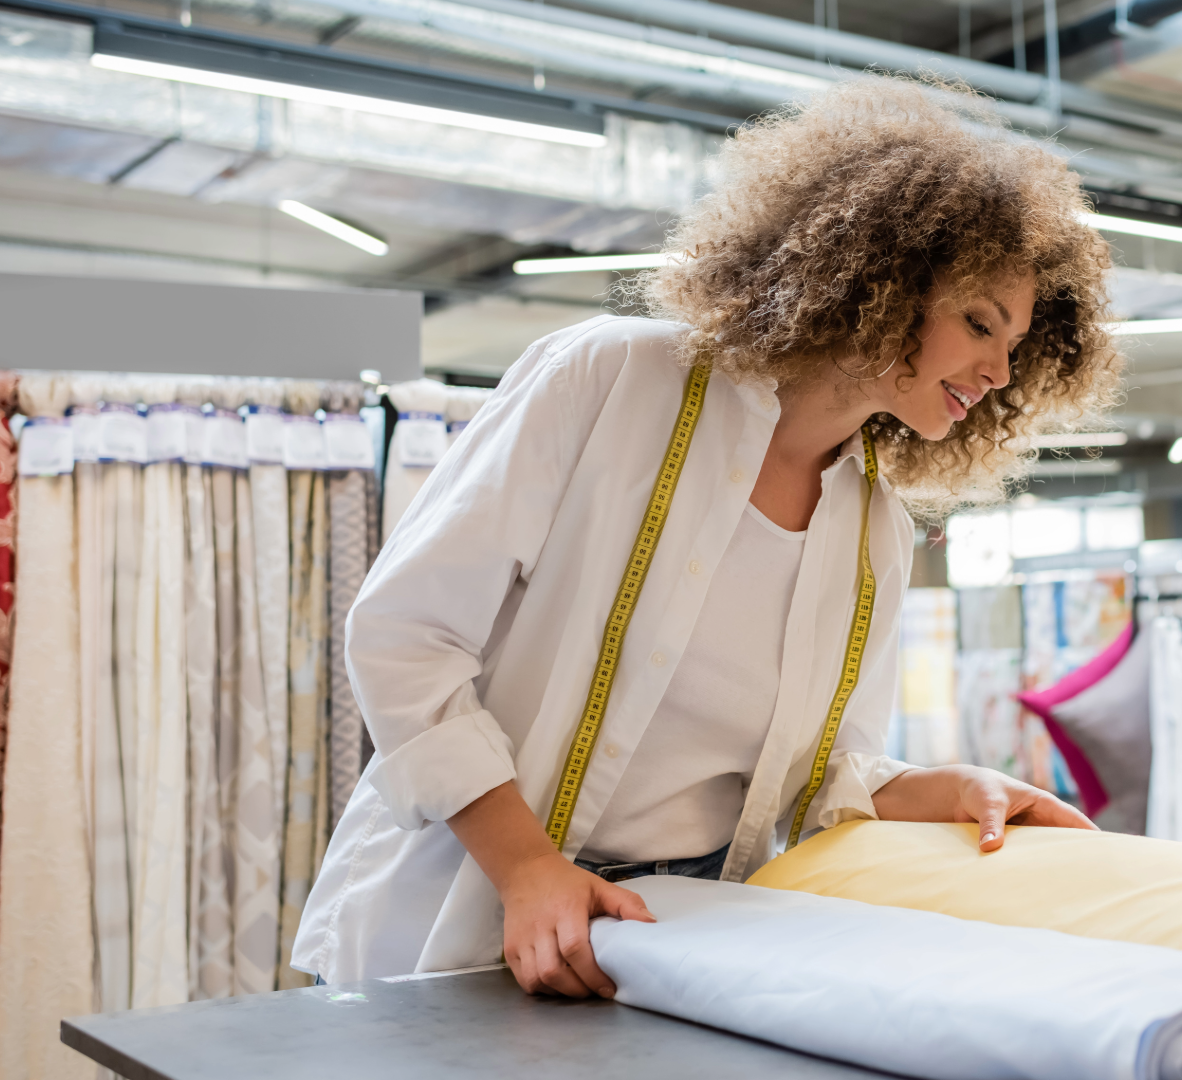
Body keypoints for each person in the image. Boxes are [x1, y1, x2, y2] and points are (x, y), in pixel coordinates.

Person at [291, 79, 1124, 998]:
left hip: (676, 939)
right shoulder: (611, 379)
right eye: (978, 323)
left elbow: (810, 780)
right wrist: (527, 869)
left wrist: (948, 787)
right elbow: (405, 638)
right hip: (463, 911)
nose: (1000, 370)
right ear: (881, 281)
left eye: (1015, 345)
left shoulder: (874, 523)